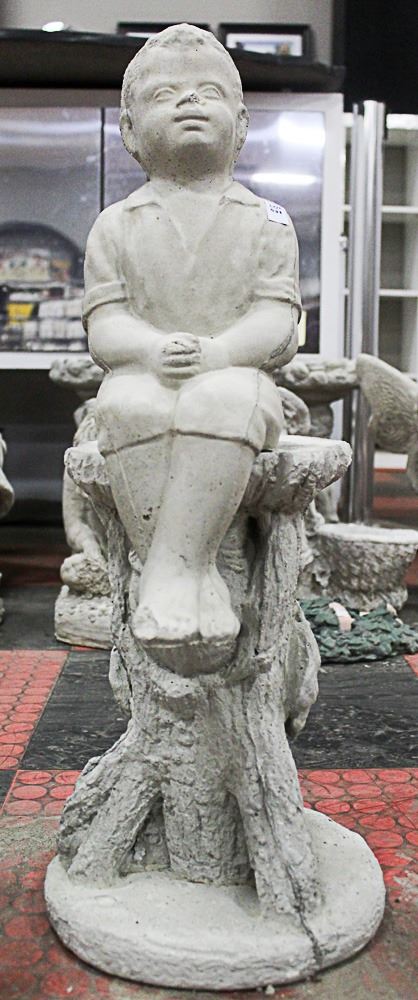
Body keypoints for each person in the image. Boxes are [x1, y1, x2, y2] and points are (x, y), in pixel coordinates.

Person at [83, 23, 301, 651]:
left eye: (209, 91)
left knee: (222, 397)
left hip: (236, 379)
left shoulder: (266, 221)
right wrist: (149, 350)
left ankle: (172, 572)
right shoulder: (115, 225)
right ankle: (186, 573)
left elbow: (276, 319)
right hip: (143, 377)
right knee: (127, 404)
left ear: (242, 123)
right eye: (165, 94)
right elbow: (106, 324)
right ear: (129, 132)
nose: (189, 100)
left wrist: (222, 352)